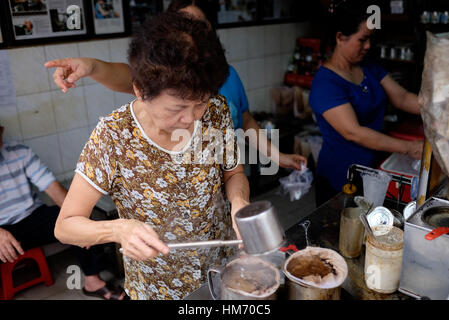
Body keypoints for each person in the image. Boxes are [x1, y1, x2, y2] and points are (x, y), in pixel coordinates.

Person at [54, 12, 250, 300]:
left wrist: (240, 202)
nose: (192, 119)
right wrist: (119, 229)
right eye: (177, 109)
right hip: (156, 288)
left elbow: (234, 173)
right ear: (140, 90)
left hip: (220, 270)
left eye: (200, 104)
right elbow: (66, 225)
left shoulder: (217, 109)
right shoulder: (113, 136)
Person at [44, 0, 307, 172]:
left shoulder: (228, 75)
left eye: (198, 27)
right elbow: (123, 74)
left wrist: (277, 156)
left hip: (229, 181)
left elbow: (246, 119)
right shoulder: (161, 79)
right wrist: (91, 66)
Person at [309, 0, 424, 206]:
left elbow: (402, 98)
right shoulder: (325, 83)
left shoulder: (368, 66)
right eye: (362, 40)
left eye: (369, 39)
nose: (368, 46)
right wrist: (408, 147)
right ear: (340, 38)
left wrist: (437, 109)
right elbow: (353, 132)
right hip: (342, 177)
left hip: (374, 168)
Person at [0, 124, 127, 300]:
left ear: (1, 132)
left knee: (79, 221)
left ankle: (93, 282)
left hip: (31, 217)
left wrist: (79, 220)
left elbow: (53, 189)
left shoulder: (19, 152)